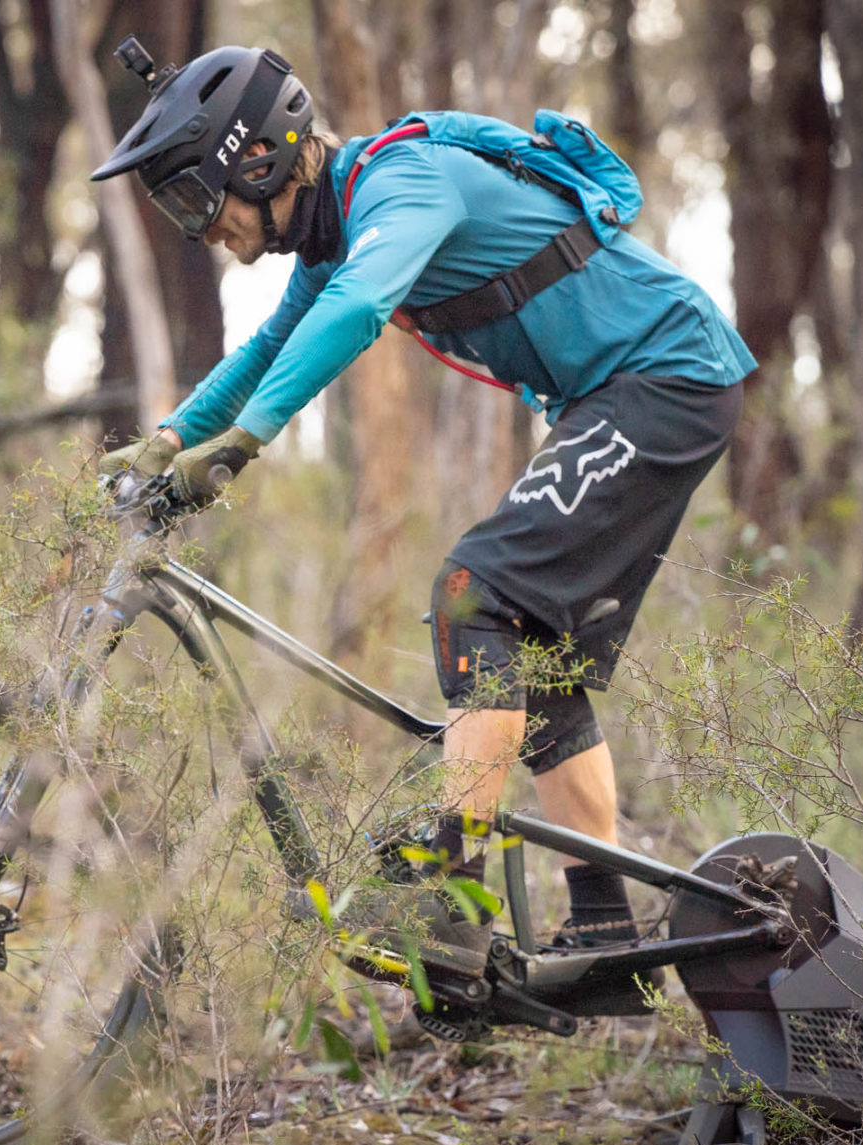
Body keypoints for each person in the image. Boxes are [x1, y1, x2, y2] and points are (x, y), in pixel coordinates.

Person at [90, 41, 755, 1024]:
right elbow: (269, 347)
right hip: (626, 393)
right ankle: (609, 933)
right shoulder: (337, 237)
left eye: (199, 202)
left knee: (474, 598)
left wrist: (243, 445)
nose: (202, 230)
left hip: (669, 377)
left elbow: (359, 310)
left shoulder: (405, 182)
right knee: (533, 659)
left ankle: (447, 894)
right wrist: (165, 442)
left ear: (261, 160)